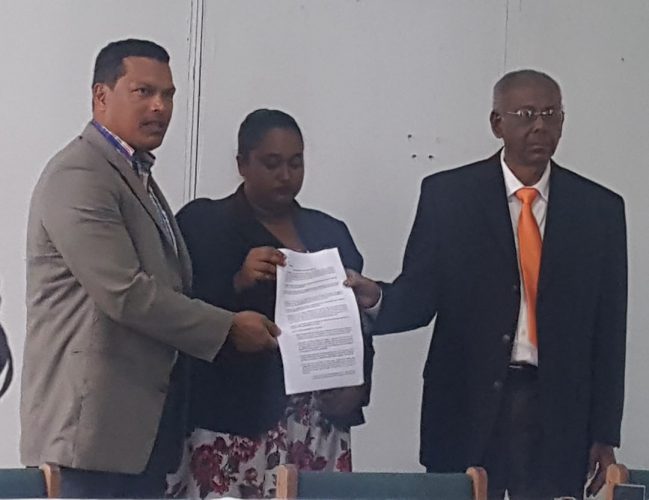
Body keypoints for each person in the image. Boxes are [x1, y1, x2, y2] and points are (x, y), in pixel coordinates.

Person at [347, 69, 627, 499]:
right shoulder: (449, 197)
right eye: (526, 114)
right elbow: (420, 297)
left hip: (558, 412)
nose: (540, 125)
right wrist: (378, 299)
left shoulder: (600, 211)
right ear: (497, 123)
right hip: (466, 406)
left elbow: (609, 333)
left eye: (551, 114)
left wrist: (605, 433)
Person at [21, 39, 279, 499]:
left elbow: (170, 284)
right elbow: (124, 292)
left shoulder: (135, 174)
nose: (160, 106)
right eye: (144, 91)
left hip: (138, 436)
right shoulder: (79, 175)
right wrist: (226, 328)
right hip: (89, 440)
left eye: (169, 94)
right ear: (101, 96)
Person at [166, 109, 373, 498]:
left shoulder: (330, 232)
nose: (285, 176)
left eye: (296, 163)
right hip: (233, 422)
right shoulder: (204, 223)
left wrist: (356, 387)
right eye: (271, 163)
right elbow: (177, 314)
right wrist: (237, 283)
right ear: (242, 163)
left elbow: (357, 324)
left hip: (316, 425)